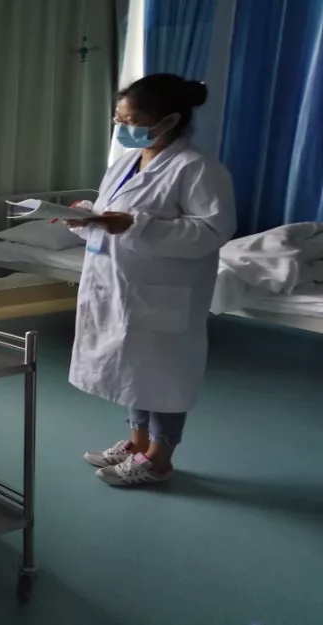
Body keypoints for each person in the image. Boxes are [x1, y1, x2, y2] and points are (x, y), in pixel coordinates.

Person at [66, 74, 237, 486]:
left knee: (163, 376)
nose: (124, 128)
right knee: (134, 369)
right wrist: (87, 219)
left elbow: (213, 231)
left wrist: (137, 224)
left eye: (133, 121)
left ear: (170, 120)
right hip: (119, 285)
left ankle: (159, 459)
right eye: (119, 119)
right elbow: (114, 219)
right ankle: (137, 443)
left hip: (163, 293)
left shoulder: (197, 169)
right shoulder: (125, 164)